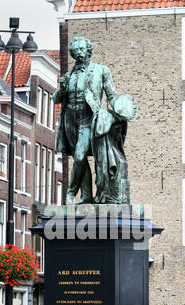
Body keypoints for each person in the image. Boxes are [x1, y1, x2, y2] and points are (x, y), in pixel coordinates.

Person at [53, 36, 137, 205]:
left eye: (82, 50)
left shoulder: (101, 70)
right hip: (70, 119)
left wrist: (121, 111)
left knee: (79, 156)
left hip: (88, 118)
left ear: (89, 50)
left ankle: (70, 193)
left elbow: (111, 96)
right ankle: (85, 196)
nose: (79, 54)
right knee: (81, 159)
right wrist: (62, 88)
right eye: (76, 51)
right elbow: (56, 99)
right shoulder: (68, 76)